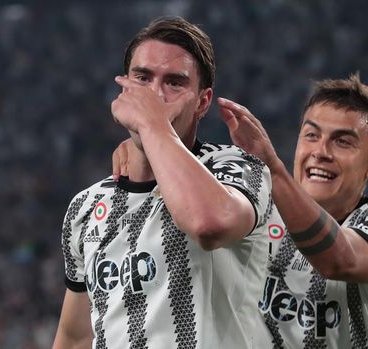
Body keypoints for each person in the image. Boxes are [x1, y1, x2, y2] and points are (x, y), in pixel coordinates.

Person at [53, 17, 276, 348]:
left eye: (174, 83)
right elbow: (74, 338)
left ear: (202, 102)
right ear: (124, 88)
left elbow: (207, 223)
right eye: (142, 78)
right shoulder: (86, 206)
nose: (154, 94)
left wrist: (151, 122)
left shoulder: (237, 169)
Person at [216, 74, 368, 348]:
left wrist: (272, 169)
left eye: (343, 142)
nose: (320, 151)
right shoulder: (256, 209)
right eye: (311, 135)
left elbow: (337, 261)